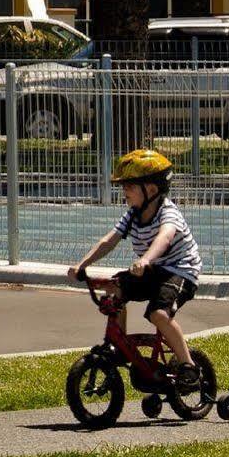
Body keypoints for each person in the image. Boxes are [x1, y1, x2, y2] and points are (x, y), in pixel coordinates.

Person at [69, 149, 202, 392]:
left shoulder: (168, 212)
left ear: (150, 190)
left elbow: (164, 238)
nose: (124, 193)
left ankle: (188, 366)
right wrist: (83, 264)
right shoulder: (132, 215)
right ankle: (119, 347)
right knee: (114, 288)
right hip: (152, 270)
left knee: (159, 314)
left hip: (180, 270)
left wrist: (146, 259)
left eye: (129, 187)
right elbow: (109, 240)